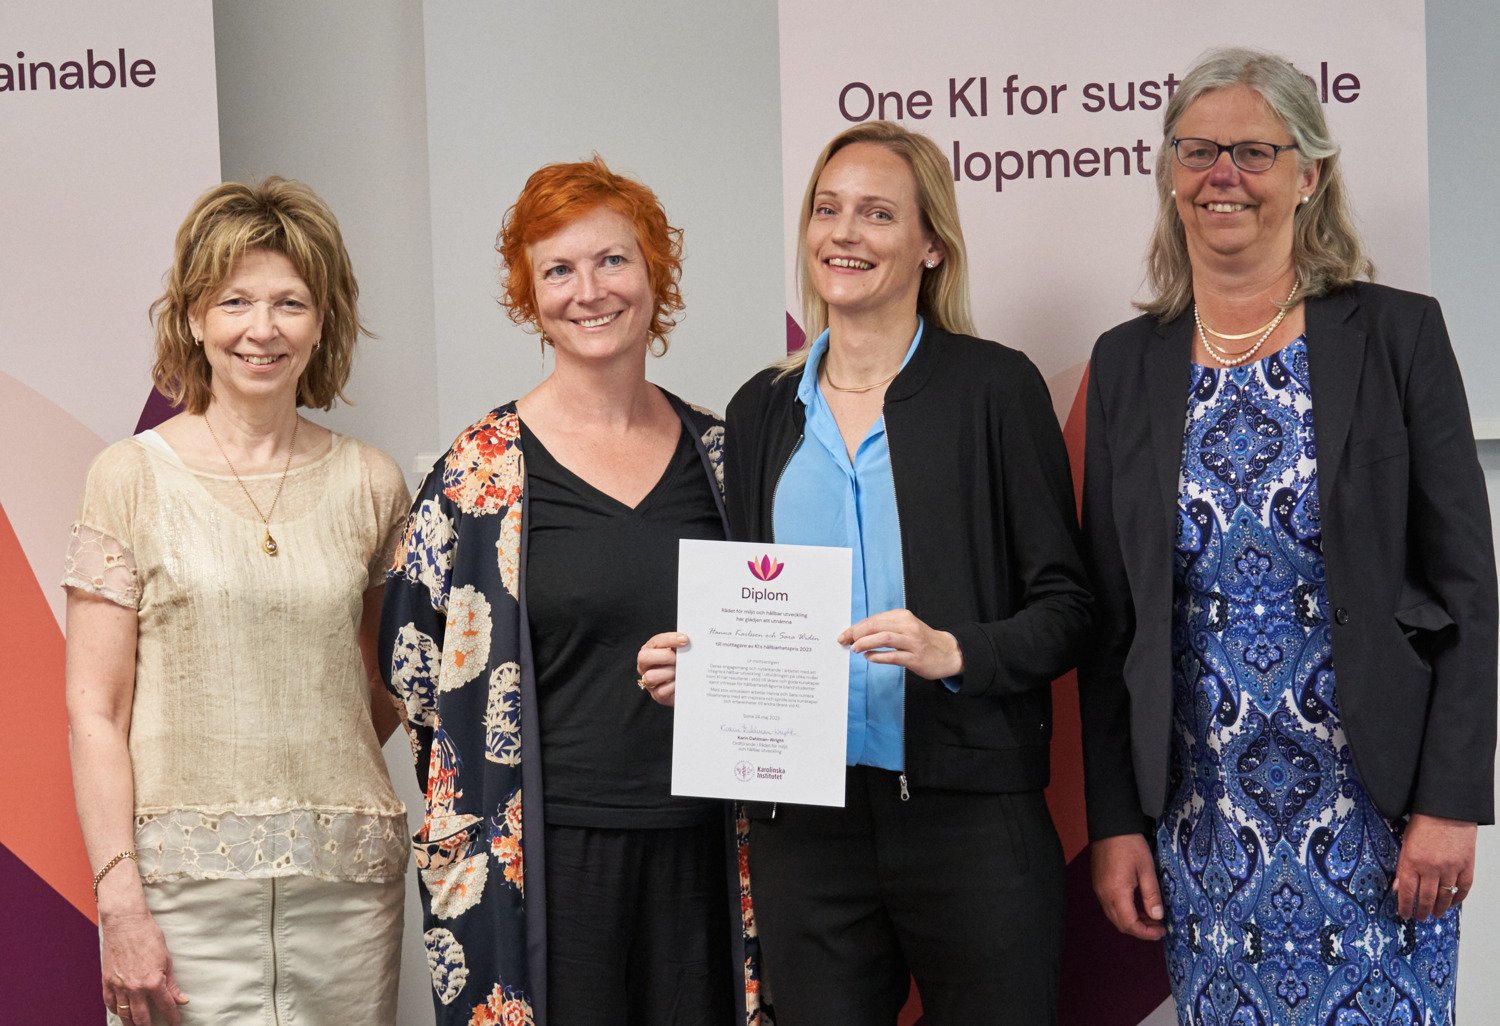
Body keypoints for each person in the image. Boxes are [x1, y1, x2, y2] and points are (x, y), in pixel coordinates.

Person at [638, 120, 1091, 1024]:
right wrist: (703, 673)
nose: (844, 233)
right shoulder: (762, 408)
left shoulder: (994, 390)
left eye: (877, 213)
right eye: (827, 209)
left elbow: (1070, 607)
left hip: (970, 817)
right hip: (806, 828)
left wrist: (955, 649)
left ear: (931, 245)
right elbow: (753, 606)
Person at [1079, 47, 1497, 1023]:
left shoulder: (1396, 336)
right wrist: (1114, 825)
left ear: (1309, 176)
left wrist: (1450, 803)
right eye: (1197, 151)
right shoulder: (1127, 363)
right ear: (1170, 174)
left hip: (1379, 826)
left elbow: (1467, 593)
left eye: (1253, 152)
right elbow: (1114, 621)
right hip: (1206, 829)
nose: (1222, 175)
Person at [379, 157, 759, 1026]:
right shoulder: (479, 472)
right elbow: (413, 667)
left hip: (707, 849)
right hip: (541, 862)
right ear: (529, 294)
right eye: (558, 269)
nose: (589, 290)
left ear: (654, 272)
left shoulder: (728, 458)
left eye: (613, 260)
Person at [65, 177, 411, 1025]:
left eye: (291, 303)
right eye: (235, 302)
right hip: (178, 896)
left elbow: (383, 682)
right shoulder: (129, 477)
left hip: (346, 891)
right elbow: (95, 711)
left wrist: (298, 747)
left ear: (323, 321)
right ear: (192, 317)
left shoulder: (371, 481)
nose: (263, 329)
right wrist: (121, 906)